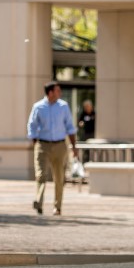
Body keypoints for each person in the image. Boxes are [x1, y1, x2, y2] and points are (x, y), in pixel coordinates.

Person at [27, 81, 78, 216]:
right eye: (57, 91)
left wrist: (74, 147)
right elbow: (32, 125)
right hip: (42, 145)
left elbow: (70, 127)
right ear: (50, 93)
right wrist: (35, 142)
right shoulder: (38, 107)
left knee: (59, 177)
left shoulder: (63, 106)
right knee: (40, 175)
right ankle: (39, 202)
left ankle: (58, 206)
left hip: (60, 145)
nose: (59, 93)